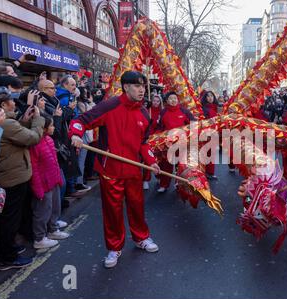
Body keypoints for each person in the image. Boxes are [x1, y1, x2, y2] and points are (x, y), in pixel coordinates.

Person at [70, 71, 161, 268]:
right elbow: (80, 121)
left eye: (143, 86)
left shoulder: (144, 114)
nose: (141, 90)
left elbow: (143, 143)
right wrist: (76, 135)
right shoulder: (109, 106)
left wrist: (151, 161)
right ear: (126, 87)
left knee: (137, 206)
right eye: (137, 86)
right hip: (110, 170)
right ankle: (114, 247)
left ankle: (141, 237)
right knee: (113, 210)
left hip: (134, 169)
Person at [0, 86, 44, 270]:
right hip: (11, 177)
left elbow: (17, 134)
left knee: (11, 217)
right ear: (3, 105)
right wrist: (38, 119)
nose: (15, 103)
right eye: (12, 101)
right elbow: (31, 138)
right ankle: (7, 257)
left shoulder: (7, 123)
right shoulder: (5, 124)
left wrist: (24, 120)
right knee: (10, 218)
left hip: (11, 174)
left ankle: (9, 248)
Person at [29, 116, 69, 249]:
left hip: (53, 180)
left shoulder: (49, 140)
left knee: (54, 207)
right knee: (42, 211)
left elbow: (54, 162)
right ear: (44, 129)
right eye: (51, 126)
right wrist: (38, 188)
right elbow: (34, 169)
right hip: (43, 183)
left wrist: (58, 178)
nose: (54, 128)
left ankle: (53, 229)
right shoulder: (35, 144)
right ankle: (39, 238)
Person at [156, 91, 195, 193]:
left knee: (181, 165)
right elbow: (159, 128)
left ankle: (179, 184)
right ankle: (164, 185)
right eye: (171, 98)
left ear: (178, 100)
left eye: (175, 98)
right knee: (166, 165)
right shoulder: (163, 112)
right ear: (167, 101)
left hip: (182, 143)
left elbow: (194, 123)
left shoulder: (184, 111)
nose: (173, 100)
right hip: (167, 144)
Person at [143, 94, 163, 190]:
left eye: (157, 101)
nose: (155, 103)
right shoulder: (147, 110)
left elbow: (162, 126)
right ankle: (146, 180)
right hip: (147, 138)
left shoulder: (162, 112)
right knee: (148, 160)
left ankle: (159, 177)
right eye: (154, 101)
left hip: (157, 139)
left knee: (158, 159)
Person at [201, 90, 219, 180]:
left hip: (214, 133)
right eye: (208, 96)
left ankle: (210, 173)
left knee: (212, 154)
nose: (210, 98)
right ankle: (204, 173)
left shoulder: (217, 108)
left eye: (211, 96)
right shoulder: (203, 109)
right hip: (206, 134)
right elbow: (200, 121)